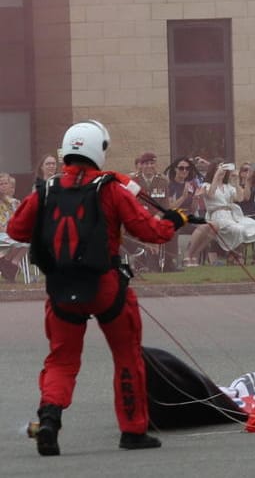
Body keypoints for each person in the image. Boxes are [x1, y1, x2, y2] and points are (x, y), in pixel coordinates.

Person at [8, 121, 184, 455]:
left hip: (60, 289)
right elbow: (150, 232)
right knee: (127, 354)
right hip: (106, 288)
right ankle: (132, 431)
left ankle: (49, 420)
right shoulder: (111, 189)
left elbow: (16, 230)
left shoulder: (45, 190)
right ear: (98, 150)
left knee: (62, 360)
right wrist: (175, 221)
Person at [200, 160, 255, 264]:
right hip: (217, 217)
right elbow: (211, 194)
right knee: (239, 230)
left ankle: (254, 255)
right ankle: (235, 255)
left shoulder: (228, 186)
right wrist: (217, 175)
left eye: (224, 169)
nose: (222, 171)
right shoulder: (205, 185)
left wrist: (237, 181)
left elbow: (240, 198)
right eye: (219, 168)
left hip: (232, 215)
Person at [0, 172, 28, 281]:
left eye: (5, 183)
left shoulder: (15, 203)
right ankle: (8, 265)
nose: (3, 186)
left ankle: (12, 263)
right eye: (0, 184)